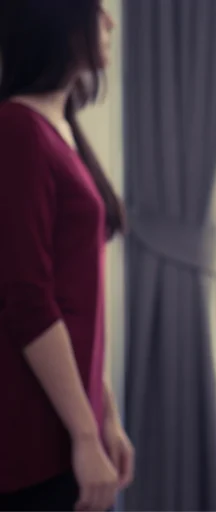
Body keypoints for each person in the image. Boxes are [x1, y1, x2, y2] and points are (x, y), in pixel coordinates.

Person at [0, 1, 134, 510]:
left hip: (68, 419)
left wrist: (106, 418)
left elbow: (79, 299)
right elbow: (29, 300)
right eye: (99, 9)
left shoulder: (59, 127)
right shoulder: (17, 130)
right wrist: (84, 433)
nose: (110, 21)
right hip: (35, 430)